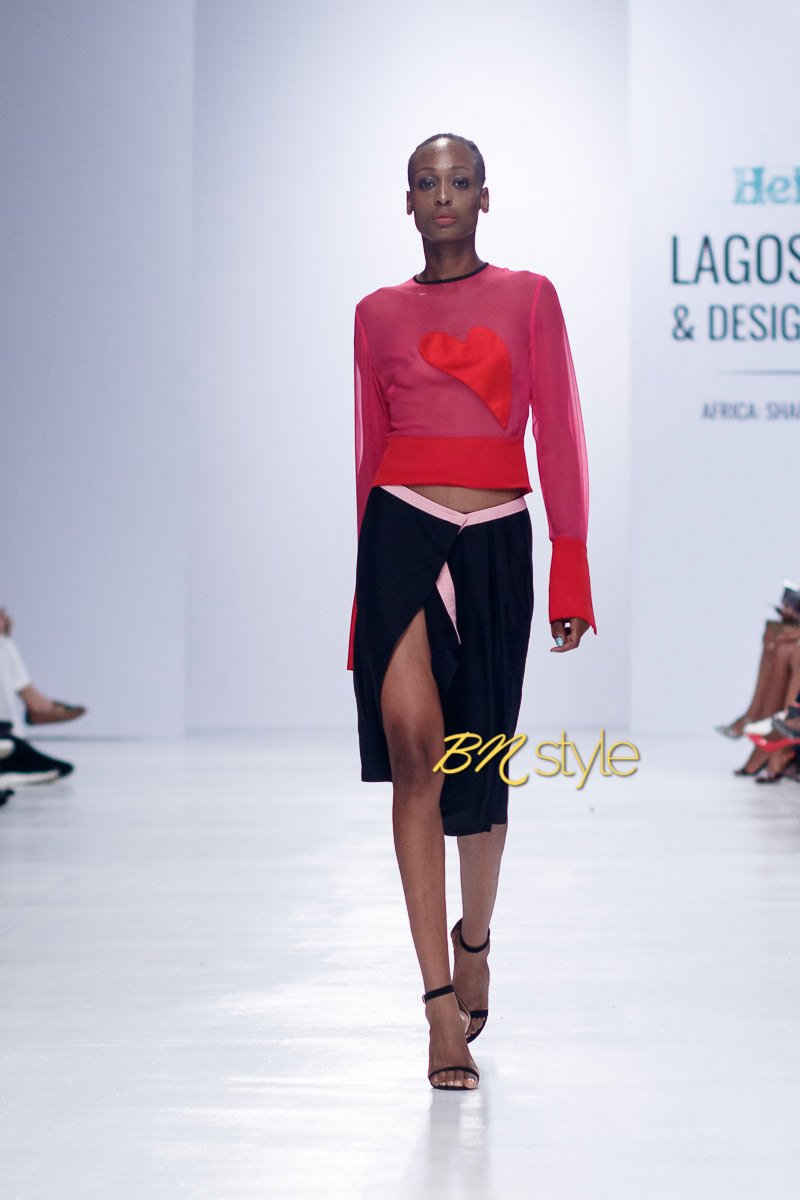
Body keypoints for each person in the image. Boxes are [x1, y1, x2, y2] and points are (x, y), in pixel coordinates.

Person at [347, 133, 596, 1090]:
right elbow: (367, 449)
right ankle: (438, 1007)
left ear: (484, 197)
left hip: (496, 537)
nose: (442, 195)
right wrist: (361, 607)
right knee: (416, 756)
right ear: (407, 200)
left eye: (459, 182)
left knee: (477, 770)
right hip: (399, 533)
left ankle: (476, 935)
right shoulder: (376, 314)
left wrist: (571, 568)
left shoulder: (530, 297)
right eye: (426, 182)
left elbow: (559, 430)